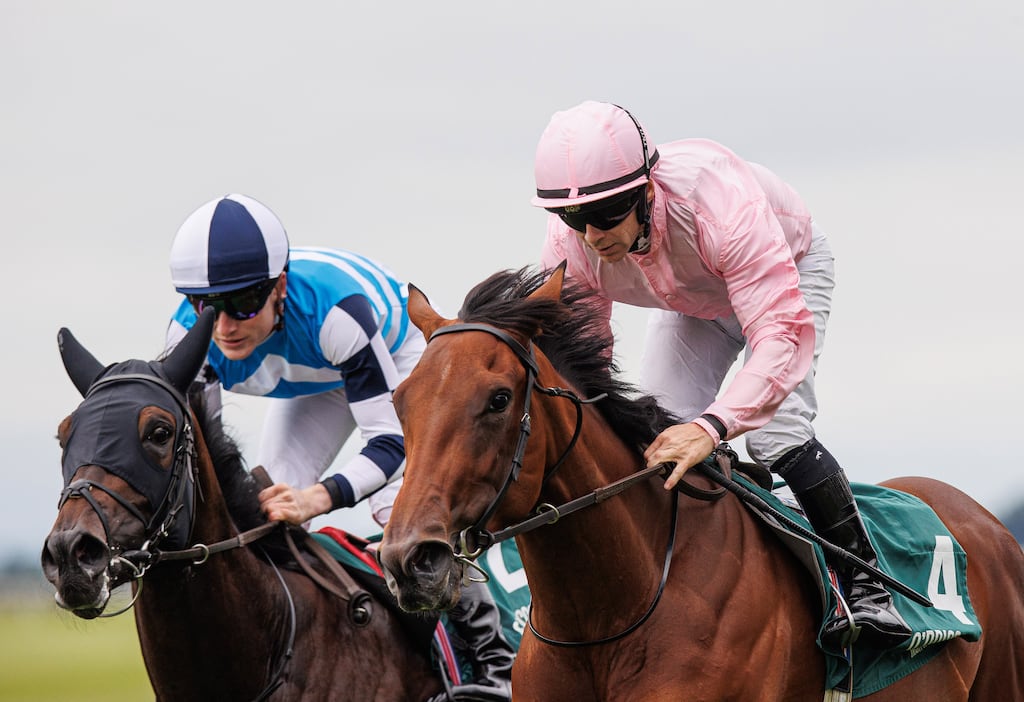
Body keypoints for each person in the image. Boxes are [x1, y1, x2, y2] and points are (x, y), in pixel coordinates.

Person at [531, 100, 912, 650]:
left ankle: (870, 586)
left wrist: (712, 427)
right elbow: (583, 362)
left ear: (645, 189)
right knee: (655, 437)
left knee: (774, 435)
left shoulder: (716, 201)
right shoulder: (571, 243)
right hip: (693, 301)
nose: (592, 235)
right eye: (575, 218)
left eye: (608, 213)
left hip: (785, 273)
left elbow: (780, 338)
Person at [165, 193, 514, 700]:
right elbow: (212, 470)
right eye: (207, 307)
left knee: (401, 513)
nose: (224, 326)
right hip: (312, 382)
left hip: (392, 358)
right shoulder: (186, 334)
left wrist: (320, 497)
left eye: (243, 303)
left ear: (279, 286)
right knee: (269, 510)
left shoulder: (337, 313)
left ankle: (493, 667)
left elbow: (389, 442)